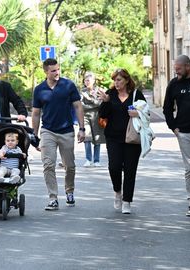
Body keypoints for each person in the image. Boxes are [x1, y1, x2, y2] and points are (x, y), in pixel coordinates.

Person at [31, 58, 85, 210]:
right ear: (46, 72)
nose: (57, 73)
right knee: (48, 165)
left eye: (58, 69)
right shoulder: (39, 89)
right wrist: (34, 136)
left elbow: (78, 106)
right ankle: (53, 197)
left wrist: (82, 128)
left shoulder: (68, 85)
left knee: (70, 166)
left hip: (66, 131)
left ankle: (69, 191)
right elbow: (36, 113)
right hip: (47, 131)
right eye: (53, 70)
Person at [97, 68, 147, 214]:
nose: (116, 83)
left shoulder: (136, 95)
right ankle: (117, 191)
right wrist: (106, 102)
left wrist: (137, 113)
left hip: (132, 138)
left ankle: (127, 201)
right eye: (114, 80)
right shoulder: (110, 94)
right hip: (113, 137)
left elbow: (146, 112)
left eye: (119, 80)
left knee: (130, 170)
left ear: (126, 80)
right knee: (114, 167)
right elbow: (102, 115)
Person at [163, 55, 190, 217]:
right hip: (184, 132)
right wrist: (173, 127)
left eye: (179, 69)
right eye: (175, 70)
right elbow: (167, 108)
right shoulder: (174, 84)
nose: (176, 72)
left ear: (188, 66)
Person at [81, 72, 105, 167]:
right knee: (87, 138)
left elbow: (100, 104)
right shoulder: (82, 91)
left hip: (96, 117)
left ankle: (96, 160)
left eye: (88, 80)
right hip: (85, 117)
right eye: (85, 80)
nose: (87, 82)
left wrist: (89, 101)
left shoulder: (99, 91)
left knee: (97, 138)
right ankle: (88, 159)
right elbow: (81, 106)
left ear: (93, 81)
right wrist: (93, 105)